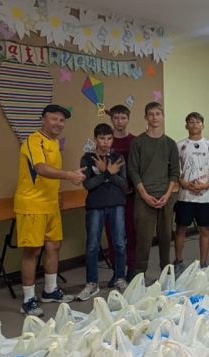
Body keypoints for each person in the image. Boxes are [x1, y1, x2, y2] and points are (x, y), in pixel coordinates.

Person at [13, 104, 85, 316]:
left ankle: (50, 290)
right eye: (54, 119)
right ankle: (28, 300)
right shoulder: (33, 140)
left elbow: (49, 175)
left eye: (61, 121)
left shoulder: (54, 142)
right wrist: (69, 176)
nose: (58, 124)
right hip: (32, 205)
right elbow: (40, 168)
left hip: (51, 204)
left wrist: (58, 193)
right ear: (43, 119)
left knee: (53, 246)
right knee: (32, 251)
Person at [128, 102, 180, 279]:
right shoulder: (138, 142)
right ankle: (139, 275)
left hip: (166, 196)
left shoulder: (170, 144)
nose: (154, 117)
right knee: (143, 238)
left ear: (163, 117)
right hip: (144, 197)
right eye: (151, 114)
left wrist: (167, 194)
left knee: (166, 236)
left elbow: (174, 172)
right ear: (145, 117)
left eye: (158, 114)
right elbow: (133, 170)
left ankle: (166, 273)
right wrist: (144, 194)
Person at [77, 122, 128, 301]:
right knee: (92, 245)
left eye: (109, 138)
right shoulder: (87, 159)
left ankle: (119, 278)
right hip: (95, 206)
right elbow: (88, 184)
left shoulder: (118, 158)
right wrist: (106, 174)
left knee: (119, 243)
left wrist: (108, 172)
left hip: (117, 205)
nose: (106, 142)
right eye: (102, 138)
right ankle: (92, 283)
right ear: (96, 139)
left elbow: (124, 184)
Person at [173, 112, 209, 274]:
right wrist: (184, 183)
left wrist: (207, 184)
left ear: (203, 125)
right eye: (191, 122)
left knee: (204, 230)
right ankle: (179, 261)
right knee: (180, 229)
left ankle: (203, 263)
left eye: (198, 122)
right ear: (186, 125)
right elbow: (173, 170)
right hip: (185, 196)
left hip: (204, 196)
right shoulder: (179, 145)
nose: (194, 124)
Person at [105, 104, 135, 282]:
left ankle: (132, 268)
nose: (119, 121)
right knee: (113, 235)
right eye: (116, 118)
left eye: (123, 118)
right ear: (111, 120)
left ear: (128, 119)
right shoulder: (106, 142)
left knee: (131, 232)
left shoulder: (135, 141)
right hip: (111, 196)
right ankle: (117, 272)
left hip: (131, 194)